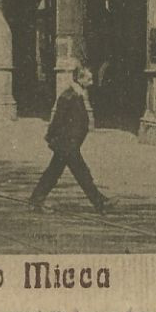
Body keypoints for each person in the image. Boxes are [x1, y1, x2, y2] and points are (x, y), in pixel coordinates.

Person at [29, 65, 109, 213]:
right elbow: (58, 120)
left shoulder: (77, 94)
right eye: (89, 79)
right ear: (79, 79)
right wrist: (53, 139)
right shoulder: (68, 96)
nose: (91, 83)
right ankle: (99, 202)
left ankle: (36, 200)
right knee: (81, 173)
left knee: (54, 173)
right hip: (67, 144)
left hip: (69, 144)